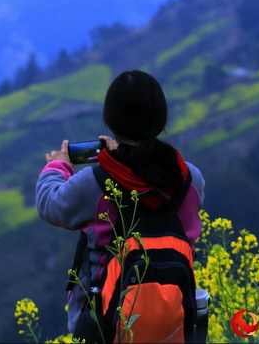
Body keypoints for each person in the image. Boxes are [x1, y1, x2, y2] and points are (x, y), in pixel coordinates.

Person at [35, 69, 205, 339]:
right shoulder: (190, 180)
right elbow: (148, 174)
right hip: (175, 322)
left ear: (111, 122)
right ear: (161, 120)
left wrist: (59, 166)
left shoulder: (95, 182)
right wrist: (123, 157)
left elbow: (50, 204)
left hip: (102, 327)